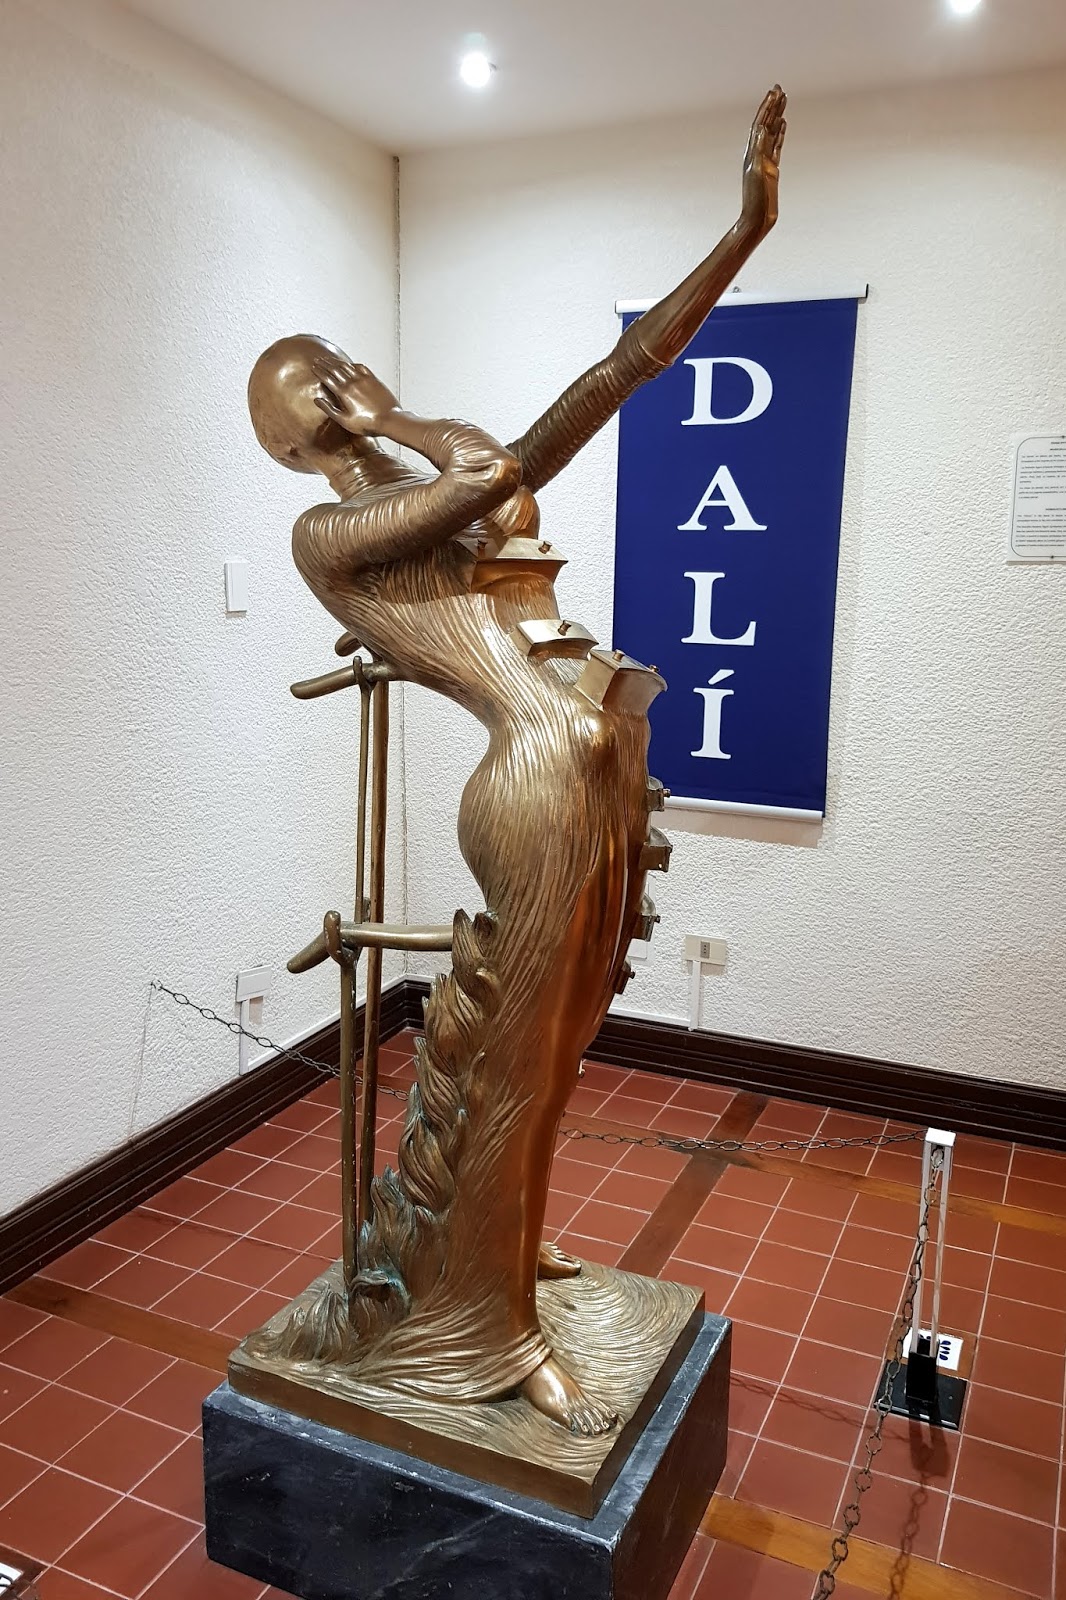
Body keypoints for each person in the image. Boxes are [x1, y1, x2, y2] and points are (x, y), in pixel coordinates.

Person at [247, 89, 786, 1435]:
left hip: (604, 759)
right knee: (512, 1065)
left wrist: (743, 234)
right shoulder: (332, 537)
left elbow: (607, 384)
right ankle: (483, 1333)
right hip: (535, 781)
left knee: (563, 1048)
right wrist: (396, 415)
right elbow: (492, 468)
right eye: (330, 375)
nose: (354, 375)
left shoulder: (414, 492)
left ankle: (513, 1248)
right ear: (303, 425)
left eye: (349, 361)